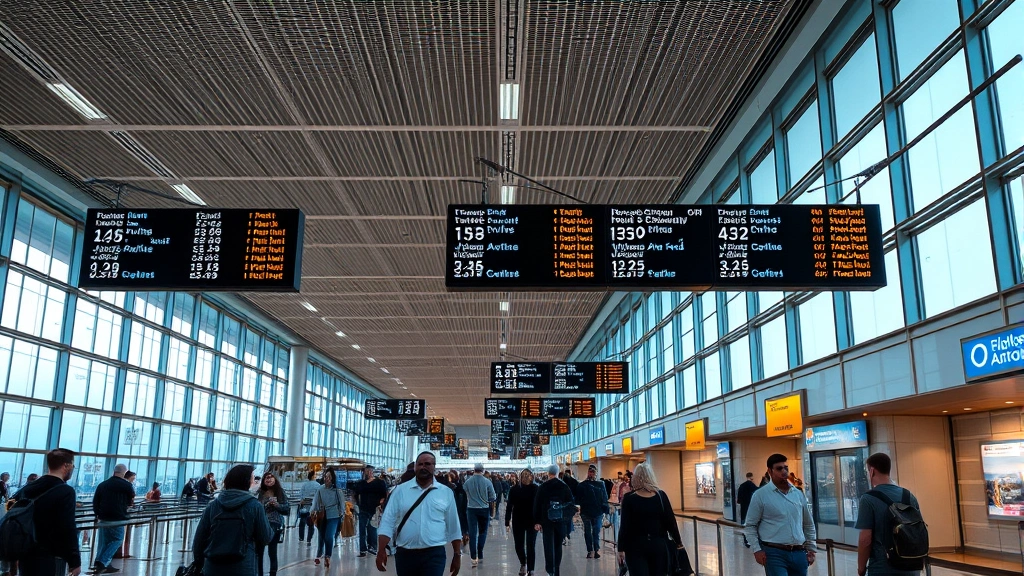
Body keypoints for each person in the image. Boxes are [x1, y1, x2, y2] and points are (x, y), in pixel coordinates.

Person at [375, 452, 462, 576]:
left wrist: (457, 554)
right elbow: (388, 520)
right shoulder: (400, 491)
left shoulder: (446, 493)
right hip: (405, 555)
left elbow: (453, 525)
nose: (423, 467)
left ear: (434, 467)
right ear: (415, 467)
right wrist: (381, 549)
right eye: (420, 464)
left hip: (434, 554)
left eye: (427, 464)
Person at [8, 448, 81, 576]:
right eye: (73, 466)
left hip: (26, 550)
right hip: (50, 553)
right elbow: (67, 527)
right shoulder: (66, 491)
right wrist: (74, 561)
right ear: (66, 466)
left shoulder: (28, 488)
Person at [191, 465, 273, 576]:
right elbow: (265, 537)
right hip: (243, 565)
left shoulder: (213, 506)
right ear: (246, 481)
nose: (254, 482)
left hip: (213, 566)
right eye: (252, 479)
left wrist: (199, 563)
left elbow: (199, 540)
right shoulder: (254, 506)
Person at [743, 454, 817, 576]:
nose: (784, 471)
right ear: (770, 471)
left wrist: (811, 548)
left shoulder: (797, 494)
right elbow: (750, 525)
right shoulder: (760, 495)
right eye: (779, 468)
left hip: (799, 552)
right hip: (774, 553)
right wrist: (757, 550)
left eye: (786, 468)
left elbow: (808, 523)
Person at [855, 453, 922, 576]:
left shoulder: (868, 499)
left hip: (883, 567)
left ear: (872, 471)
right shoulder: (909, 496)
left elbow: (865, 539)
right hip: (912, 567)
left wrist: (861, 568)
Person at [616, 463, 684, 576]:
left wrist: (620, 549)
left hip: (635, 546)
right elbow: (671, 522)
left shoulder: (629, 498)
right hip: (658, 545)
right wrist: (678, 542)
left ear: (635, 478)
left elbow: (624, 526)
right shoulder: (661, 496)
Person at [90, 463, 135, 574]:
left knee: (105, 542)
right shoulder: (126, 485)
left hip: (103, 518)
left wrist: (98, 514)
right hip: (118, 518)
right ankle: (102, 561)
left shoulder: (102, 484)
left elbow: (95, 501)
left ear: (114, 471)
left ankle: (102, 563)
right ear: (124, 473)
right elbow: (131, 499)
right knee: (117, 539)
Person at [533, 464, 574, 576]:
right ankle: (556, 569)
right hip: (560, 521)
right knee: (558, 545)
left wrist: (537, 521)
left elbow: (537, 504)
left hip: (546, 521)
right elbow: (571, 504)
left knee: (548, 545)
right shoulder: (564, 486)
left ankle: (549, 570)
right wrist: (567, 521)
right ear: (557, 473)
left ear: (548, 473)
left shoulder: (543, 487)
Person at [505, 469, 539, 576]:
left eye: (527, 475)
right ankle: (523, 563)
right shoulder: (514, 489)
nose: (525, 477)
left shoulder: (536, 489)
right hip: (518, 520)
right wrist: (507, 520)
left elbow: (539, 506)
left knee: (531, 545)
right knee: (519, 545)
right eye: (524, 475)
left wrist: (540, 521)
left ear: (531, 477)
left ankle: (531, 568)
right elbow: (509, 505)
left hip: (532, 520)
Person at [256, 472, 290, 576]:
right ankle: (259, 573)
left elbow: (287, 508)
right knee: (259, 551)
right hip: (262, 522)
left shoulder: (280, 492)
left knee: (272, 551)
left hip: (275, 523)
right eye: (267, 478)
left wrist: (277, 505)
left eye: (271, 478)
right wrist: (266, 505)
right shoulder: (260, 492)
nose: (269, 480)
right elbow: (257, 507)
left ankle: (273, 573)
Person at [350, 464, 388, 557]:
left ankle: (373, 546)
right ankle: (363, 549)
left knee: (372, 528)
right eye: (366, 471)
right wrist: (355, 504)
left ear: (372, 472)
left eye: (369, 471)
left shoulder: (379, 483)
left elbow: (385, 494)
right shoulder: (361, 483)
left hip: (374, 509)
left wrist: (381, 503)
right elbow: (355, 493)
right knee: (362, 529)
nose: (368, 473)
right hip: (362, 508)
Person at [463, 463, 496, 567]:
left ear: (474, 470)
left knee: (472, 533)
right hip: (483, 509)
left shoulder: (467, 482)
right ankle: (480, 552)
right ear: (483, 470)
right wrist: (487, 500)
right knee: (483, 532)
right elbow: (493, 496)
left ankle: (473, 557)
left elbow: (465, 493)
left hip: (471, 509)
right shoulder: (487, 482)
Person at [311, 468, 344, 567]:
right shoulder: (320, 489)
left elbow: (342, 503)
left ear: (332, 478)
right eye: (325, 476)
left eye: (329, 477)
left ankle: (327, 556)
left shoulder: (337, 490)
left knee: (329, 536)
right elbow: (316, 502)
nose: (327, 479)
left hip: (334, 515)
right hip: (322, 515)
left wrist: (342, 514)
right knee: (321, 536)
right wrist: (312, 511)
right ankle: (319, 554)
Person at [576, 464, 610, 559]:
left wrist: (605, 510)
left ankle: (595, 549)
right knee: (589, 531)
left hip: (595, 511)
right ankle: (591, 550)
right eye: (590, 472)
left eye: (593, 472)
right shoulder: (583, 485)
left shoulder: (598, 484)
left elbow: (604, 497)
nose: (591, 474)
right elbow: (578, 499)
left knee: (595, 531)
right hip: (588, 512)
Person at [297, 470, 319, 546]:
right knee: (311, 523)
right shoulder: (317, 485)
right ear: (313, 476)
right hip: (312, 506)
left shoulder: (304, 485)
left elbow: (301, 494)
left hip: (304, 505)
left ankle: (301, 537)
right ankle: (309, 539)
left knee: (302, 522)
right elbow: (318, 496)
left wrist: (302, 500)